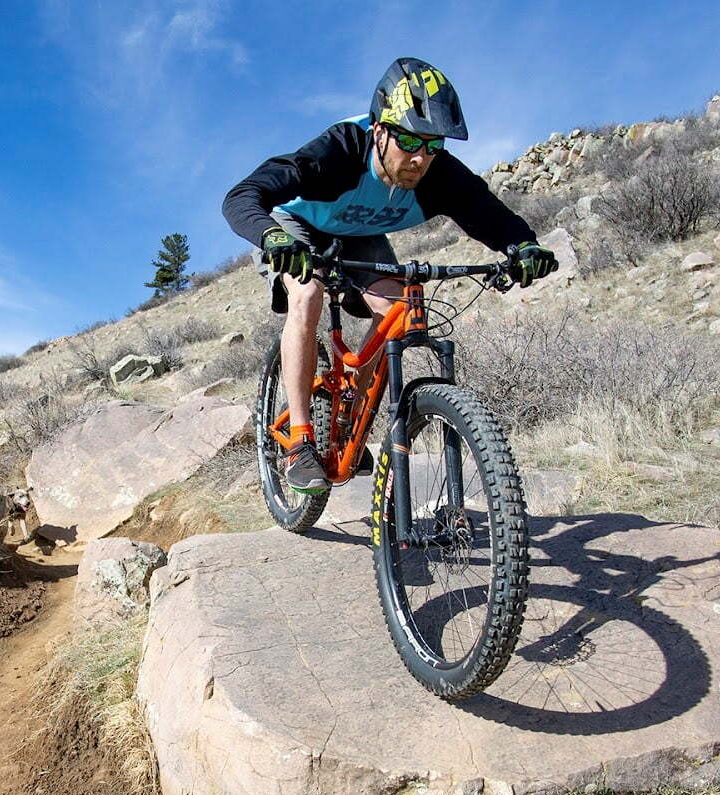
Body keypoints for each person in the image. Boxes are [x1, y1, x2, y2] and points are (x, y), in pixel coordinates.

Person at [222, 57, 557, 494]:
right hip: (297, 226)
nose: (419, 157)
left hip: (360, 233)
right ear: (379, 130)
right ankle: (300, 442)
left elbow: (486, 212)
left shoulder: (438, 171)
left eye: (432, 145)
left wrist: (522, 246)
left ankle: (351, 418)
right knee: (308, 294)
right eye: (407, 141)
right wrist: (272, 239)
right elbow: (244, 195)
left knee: (401, 308)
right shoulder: (340, 150)